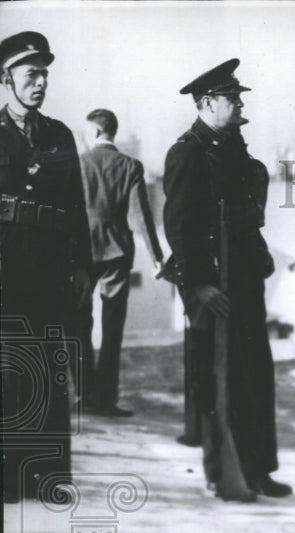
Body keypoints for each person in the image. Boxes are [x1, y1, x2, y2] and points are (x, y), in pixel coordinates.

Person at [162, 59, 290, 502]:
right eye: (232, 98)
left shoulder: (233, 149)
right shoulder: (188, 152)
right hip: (212, 287)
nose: (239, 105)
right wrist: (197, 285)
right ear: (206, 103)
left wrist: (258, 259)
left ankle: (258, 469)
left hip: (244, 281)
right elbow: (178, 227)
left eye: (238, 98)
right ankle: (225, 474)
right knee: (218, 380)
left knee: (255, 375)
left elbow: (247, 218)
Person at [0, 31, 91, 504]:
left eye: (44, 75)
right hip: (6, 266)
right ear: (5, 78)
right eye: (30, 74)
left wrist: (83, 268)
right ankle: (9, 480)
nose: (40, 83)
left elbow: (77, 207)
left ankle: (50, 477)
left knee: (52, 370)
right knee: (9, 371)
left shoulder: (59, 135)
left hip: (52, 267)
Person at [67, 108, 164, 418]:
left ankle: (84, 394)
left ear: (95, 132)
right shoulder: (130, 166)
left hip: (80, 253)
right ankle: (105, 400)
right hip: (117, 252)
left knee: (78, 324)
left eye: (85, 132)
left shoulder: (77, 165)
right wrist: (157, 257)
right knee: (112, 328)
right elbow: (141, 217)